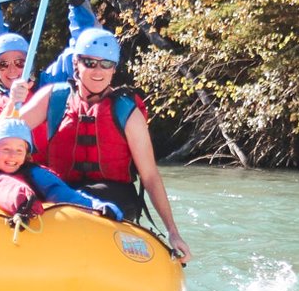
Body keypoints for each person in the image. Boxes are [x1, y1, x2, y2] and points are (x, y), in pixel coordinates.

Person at [16, 28, 192, 262]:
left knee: (76, 208)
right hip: (61, 191)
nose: (98, 71)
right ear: (76, 63)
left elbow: (149, 176)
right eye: (90, 62)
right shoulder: (54, 97)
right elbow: (5, 134)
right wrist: (14, 101)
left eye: (106, 64)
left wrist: (173, 232)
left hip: (113, 195)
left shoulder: (126, 110)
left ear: (114, 68)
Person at [0, 117, 121, 222]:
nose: (13, 156)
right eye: (6, 149)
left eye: (19, 151)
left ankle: (24, 205)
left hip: (37, 230)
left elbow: (63, 194)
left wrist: (95, 206)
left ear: (27, 154)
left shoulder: (35, 175)